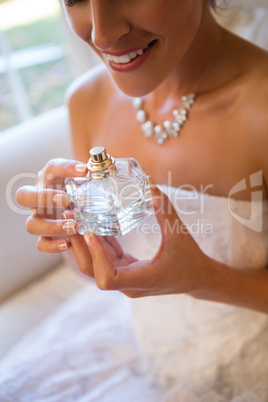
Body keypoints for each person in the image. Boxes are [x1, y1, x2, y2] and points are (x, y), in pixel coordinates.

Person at [15, 0, 268, 400]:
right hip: (150, 351)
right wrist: (70, 231)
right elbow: (99, 268)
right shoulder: (85, 101)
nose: (100, 34)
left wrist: (203, 279)